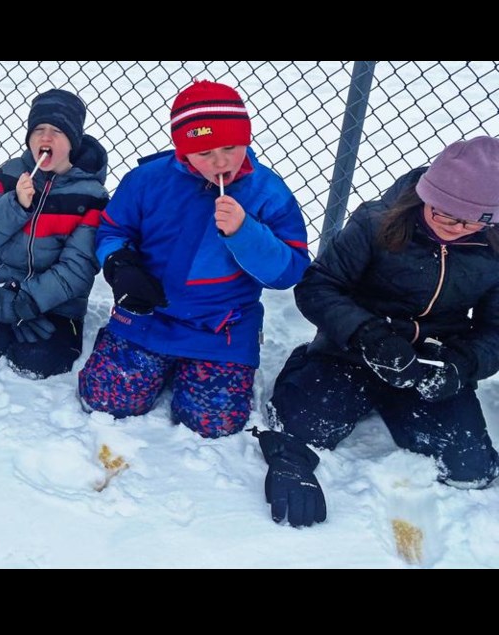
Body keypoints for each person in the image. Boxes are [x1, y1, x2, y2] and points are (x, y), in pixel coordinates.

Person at [260, 136, 499, 528]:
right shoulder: (376, 222)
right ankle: (307, 366)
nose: (455, 228)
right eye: (443, 215)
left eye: (470, 222)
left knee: (469, 471)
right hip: (353, 349)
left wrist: (462, 365)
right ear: (424, 196)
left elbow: (495, 329)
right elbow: (317, 287)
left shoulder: (494, 248)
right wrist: (367, 335)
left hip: (432, 363)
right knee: (300, 425)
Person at [78, 80, 310, 438]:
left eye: (231, 147)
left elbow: (289, 269)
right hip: (149, 314)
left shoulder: (267, 191)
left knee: (212, 424)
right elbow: (112, 230)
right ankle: (128, 349)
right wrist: (119, 264)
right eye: (204, 153)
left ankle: (193, 367)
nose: (220, 162)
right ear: (184, 152)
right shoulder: (146, 181)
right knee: (106, 400)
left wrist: (245, 233)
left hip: (222, 326)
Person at [0, 89, 110, 378]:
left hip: (58, 302)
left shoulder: (91, 195)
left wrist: (27, 302)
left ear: (72, 140)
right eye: (39, 130)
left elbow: (79, 267)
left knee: (40, 363)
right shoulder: (10, 174)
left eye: (57, 131)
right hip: (1, 286)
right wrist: (16, 204)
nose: (45, 138)